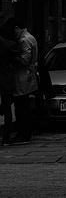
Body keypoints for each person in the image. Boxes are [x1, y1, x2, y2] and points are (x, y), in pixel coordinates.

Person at [11, 18, 38, 143]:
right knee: (24, 106)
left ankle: (23, 133)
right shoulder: (30, 37)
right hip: (28, 76)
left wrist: (12, 55)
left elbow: (24, 60)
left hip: (22, 78)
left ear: (17, 28)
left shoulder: (24, 40)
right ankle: (25, 132)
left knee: (21, 107)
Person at [0, 14, 19, 145]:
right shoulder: (8, 45)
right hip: (5, 80)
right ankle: (6, 137)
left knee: (6, 108)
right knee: (7, 108)